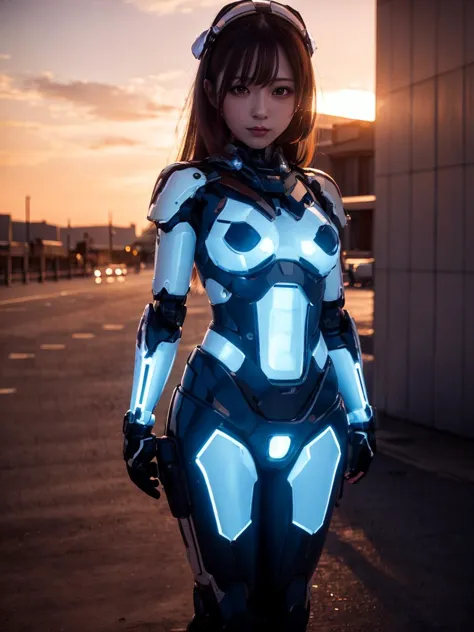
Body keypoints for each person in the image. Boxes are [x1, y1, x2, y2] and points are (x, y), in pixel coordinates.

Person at [122, 2, 376, 630]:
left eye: (279, 88)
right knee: (229, 605)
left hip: (318, 416)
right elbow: (165, 314)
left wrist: (364, 415)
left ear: (300, 95)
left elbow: (336, 322)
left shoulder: (322, 195)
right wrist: (136, 419)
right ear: (214, 91)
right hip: (220, 412)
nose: (260, 108)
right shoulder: (192, 188)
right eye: (241, 88)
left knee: (291, 600)